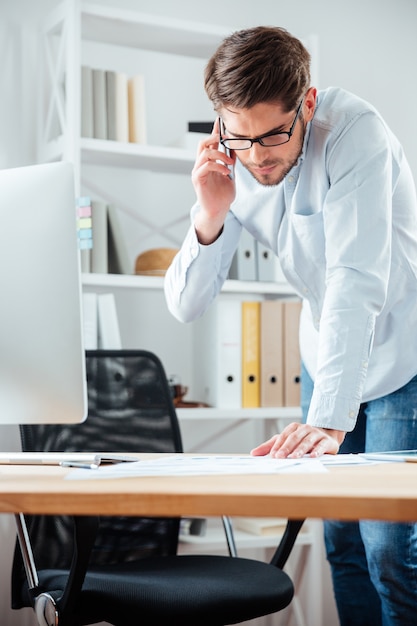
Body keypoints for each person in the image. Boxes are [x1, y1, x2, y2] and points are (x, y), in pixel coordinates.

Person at [164, 25, 417, 626]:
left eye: (274, 134)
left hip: (401, 351)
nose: (257, 156)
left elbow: (356, 280)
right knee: (341, 544)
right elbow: (185, 304)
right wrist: (211, 211)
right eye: (240, 137)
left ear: (306, 102)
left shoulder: (357, 132)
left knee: (388, 548)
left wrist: (329, 421)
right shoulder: (234, 155)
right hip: (324, 348)